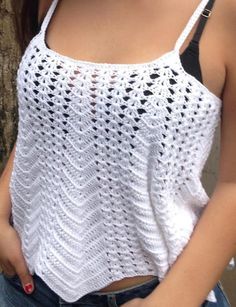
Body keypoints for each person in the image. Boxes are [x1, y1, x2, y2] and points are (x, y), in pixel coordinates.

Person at [0, 0, 235, 306]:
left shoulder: (222, 12)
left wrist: (172, 300)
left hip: (158, 293)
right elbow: (47, 126)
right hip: (25, 287)